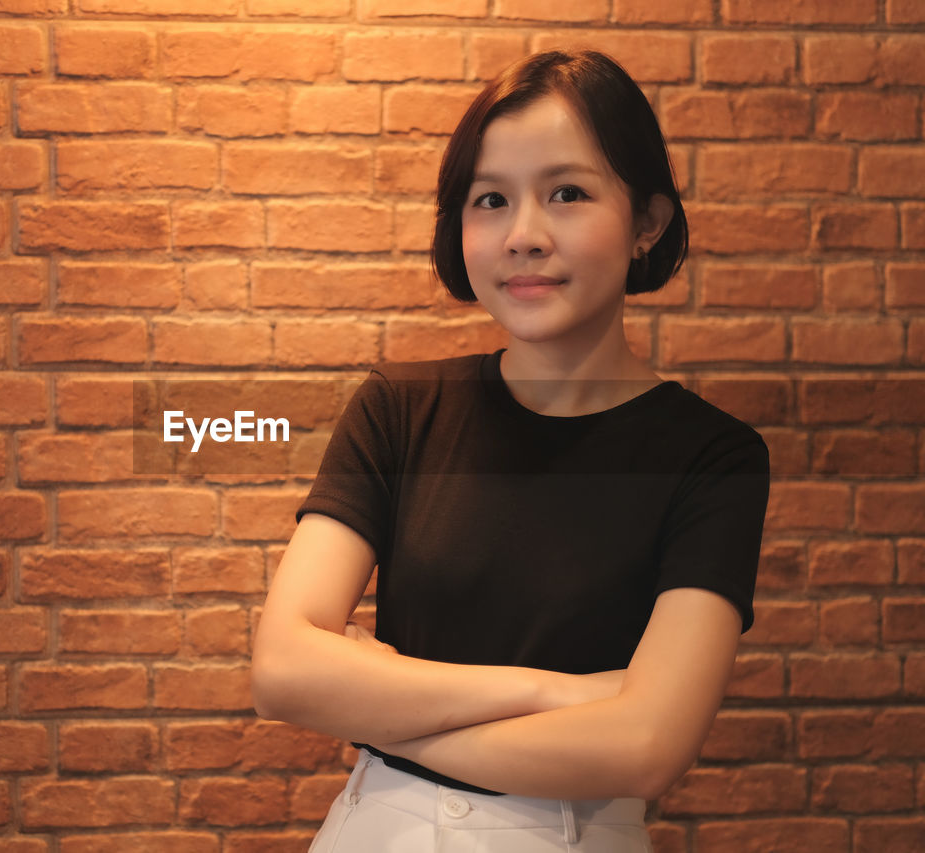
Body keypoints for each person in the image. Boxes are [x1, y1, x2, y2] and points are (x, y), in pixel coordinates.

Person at [251, 49, 771, 853]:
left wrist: (389, 720)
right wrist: (558, 694)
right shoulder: (399, 406)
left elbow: (646, 747)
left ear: (647, 222)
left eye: (567, 193)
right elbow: (283, 667)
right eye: (489, 199)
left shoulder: (712, 458)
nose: (523, 235)